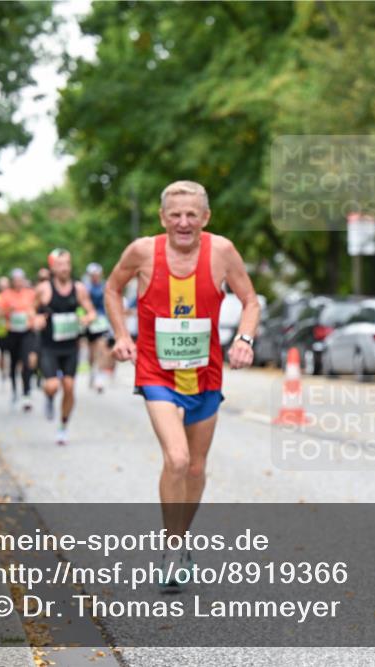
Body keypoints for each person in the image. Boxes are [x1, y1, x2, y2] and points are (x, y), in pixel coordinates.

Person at [106, 180, 260, 589]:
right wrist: (121, 335)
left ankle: (181, 539)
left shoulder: (222, 252)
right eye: (175, 215)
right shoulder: (142, 252)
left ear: (205, 217)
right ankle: (172, 549)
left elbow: (250, 300)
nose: (183, 222)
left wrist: (244, 339)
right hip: (156, 373)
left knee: (195, 467)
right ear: (162, 218)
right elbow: (112, 289)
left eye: (192, 214)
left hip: (206, 374)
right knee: (176, 459)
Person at [33, 250, 96, 445]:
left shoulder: (79, 288)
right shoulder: (44, 289)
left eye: (67, 263)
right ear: (52, 267)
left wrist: (87, 318)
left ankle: (63, 426)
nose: (64, 268)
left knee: (69, 387)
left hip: (70, 346)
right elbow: (30, 310)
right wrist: (36, 319)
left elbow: (91, 312)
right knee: (52, 385)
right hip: (49, 346)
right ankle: (49, 397)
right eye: (60, 264)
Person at [0, 269, 39, 411]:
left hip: (27, 332)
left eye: (21, 280)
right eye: (16, 280)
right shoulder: (6, 295)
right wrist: (8, 310)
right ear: (12, 281)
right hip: (12, 333)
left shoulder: (31, 293)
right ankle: (15, 390)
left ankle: (26, 393)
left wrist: (32, 314)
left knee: (27, 362)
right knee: (14, 362)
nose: (19, 282)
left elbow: (37, 308)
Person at [82, 262, 112, 393]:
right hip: (90, 322)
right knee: (91, 352)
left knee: (102, 347)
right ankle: (92, 371)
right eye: (92, 275)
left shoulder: (105, 286)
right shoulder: (85, 288)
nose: (95, 277)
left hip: (102, 321)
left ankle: (100, 375)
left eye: (97, 274)